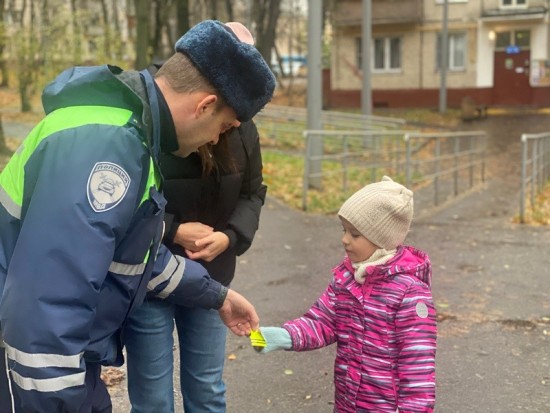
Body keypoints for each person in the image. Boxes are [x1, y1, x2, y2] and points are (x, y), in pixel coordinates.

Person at [0, 19, 275, 413]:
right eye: (223, 127)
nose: (217, 140)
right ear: (205, 106)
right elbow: (48, 305)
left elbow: (138, 254)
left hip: (61, 365)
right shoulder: (106, 144)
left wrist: (217, 296)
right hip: (32, 373)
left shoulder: (130, 132)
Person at [257, 176, 437, 412]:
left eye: (355, 234)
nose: (344, 240)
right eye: (344, 230)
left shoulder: (410, 293)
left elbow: (417, 366)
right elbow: (322, 321)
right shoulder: (346, 278)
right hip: (347, 403)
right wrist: (283, 336)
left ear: (381, 239)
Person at [124, 119, 266, 413]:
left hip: (212, 279)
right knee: (152, 399)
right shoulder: (153, 119)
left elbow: (251, 193)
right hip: (151, 278)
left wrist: (230, 237)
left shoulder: (242, 126)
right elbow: (126, 202)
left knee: (207, 390)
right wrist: (172, 230)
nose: (235, 121)